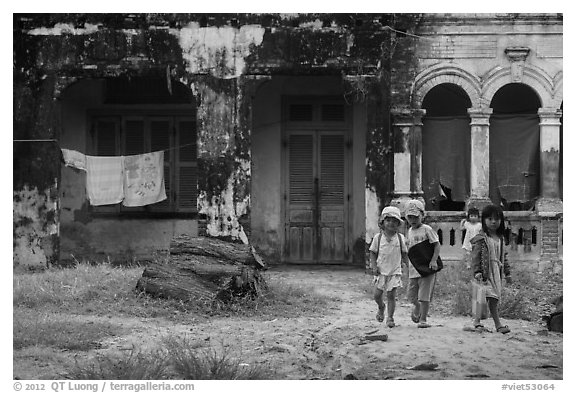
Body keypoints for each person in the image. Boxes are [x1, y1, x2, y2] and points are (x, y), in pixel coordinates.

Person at [470, 204, 512, 334]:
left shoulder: (500, 238)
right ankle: (496, 324)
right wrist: (477, 271)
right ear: (484, 220)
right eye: (490, 219)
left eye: (497, 219)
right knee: (487, 298)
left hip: (496, 273)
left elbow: (503, 256)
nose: (493, 222)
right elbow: (476, 255)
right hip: (485, 272)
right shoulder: (482, 238)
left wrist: (507, 272)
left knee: (491, 298)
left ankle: (478, 322)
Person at [369, 206, 409, 328]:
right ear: (383, 222)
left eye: (394, 221)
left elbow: (404, 254)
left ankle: (390, 317)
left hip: (395, 271)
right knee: (377, 294)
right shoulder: (378, 238)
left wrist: (408, 267)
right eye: (388, 220)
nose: (391, 223)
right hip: (381, 271)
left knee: (391, 295)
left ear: (398, 223)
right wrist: (374, 266)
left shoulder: (401, 238)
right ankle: (381, 306)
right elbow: (373, 252)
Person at [405, 200, 441, 328]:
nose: (413, 219)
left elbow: (436, 245)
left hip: (427, 268)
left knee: (424, 295)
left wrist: (433, 260)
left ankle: (423, 319)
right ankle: (417, 307)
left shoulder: (427, 230)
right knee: (411, 295)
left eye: (416, 216)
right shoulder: (409, 231)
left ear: (422, 215)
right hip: (413, 268)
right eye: (410, 217)